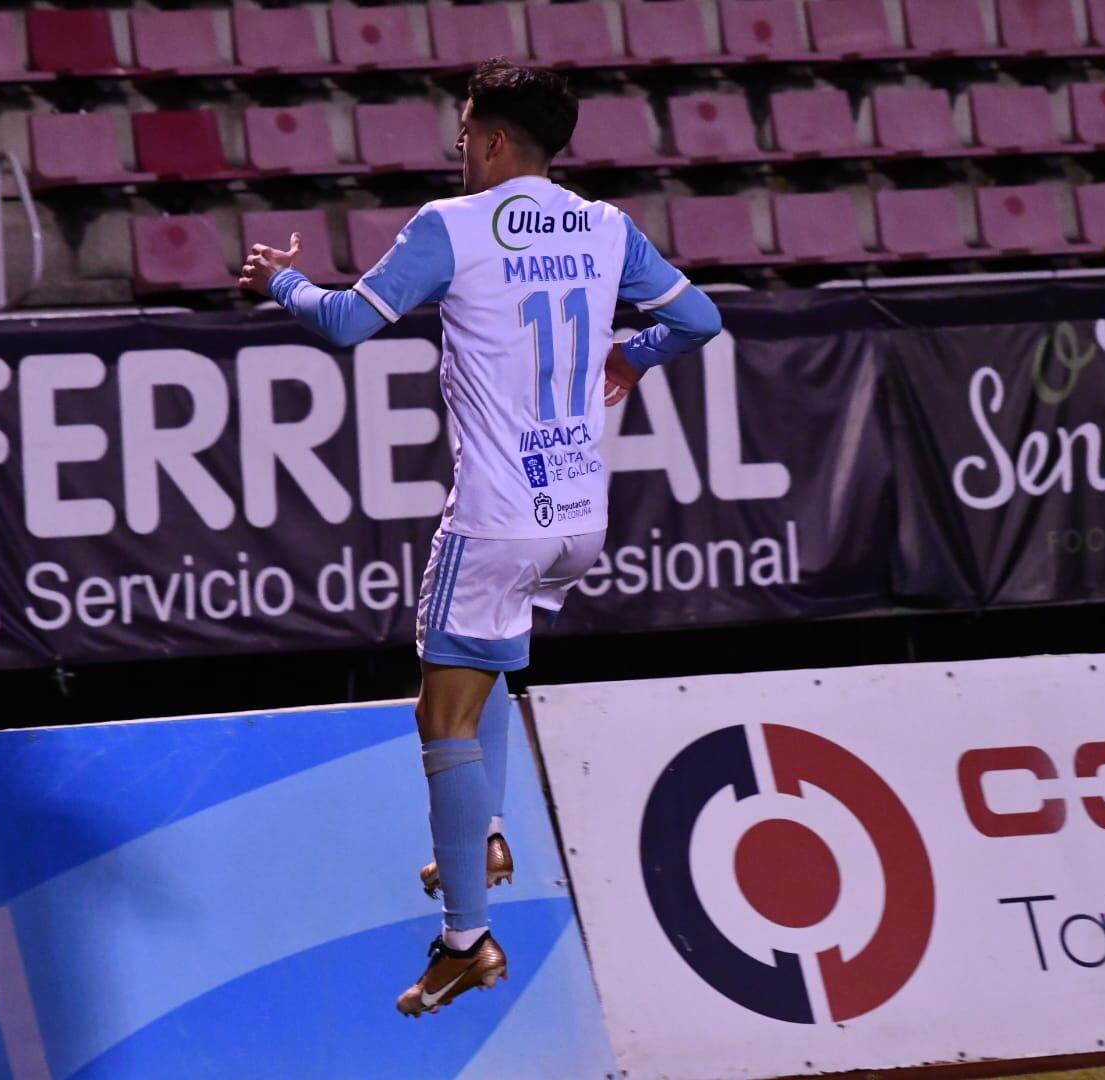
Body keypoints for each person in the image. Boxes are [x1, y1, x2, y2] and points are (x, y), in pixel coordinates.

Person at [239, 59, 722, 1017]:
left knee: (440, 718)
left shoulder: (451, 227)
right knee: (488, 668)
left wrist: (281, 281)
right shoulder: (604, 224)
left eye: (464, 133)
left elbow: (344, 325)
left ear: (494, 140)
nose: (460, 150)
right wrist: (632, 353)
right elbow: (700, 319)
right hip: (577, 515)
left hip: (496, 515)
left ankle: (466, 940)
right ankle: (490, 831)